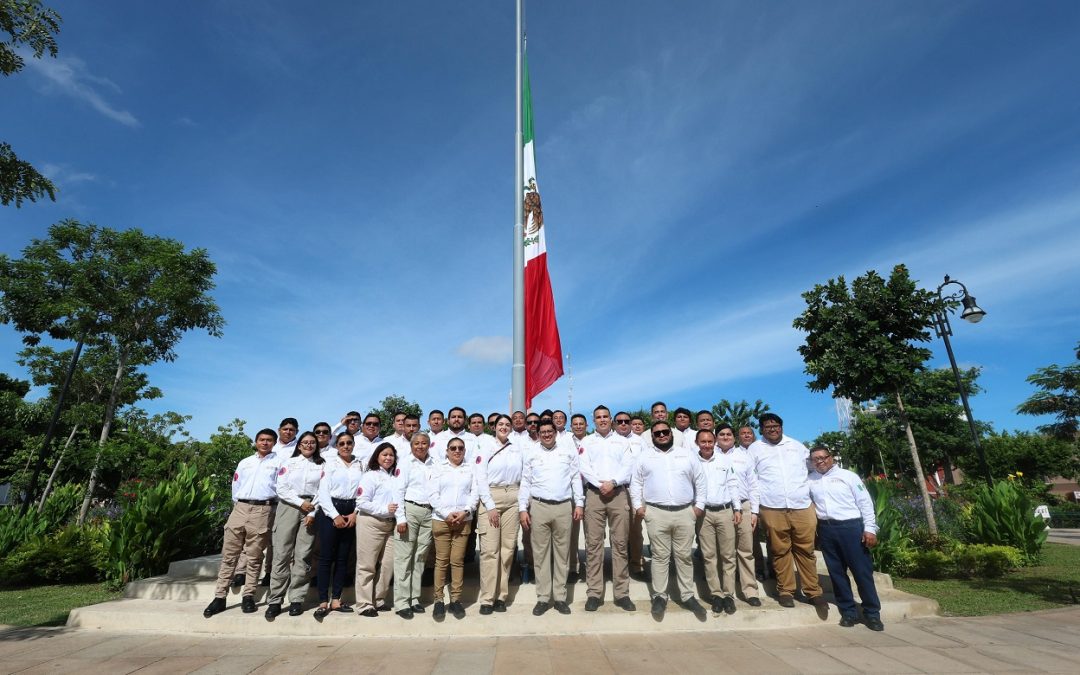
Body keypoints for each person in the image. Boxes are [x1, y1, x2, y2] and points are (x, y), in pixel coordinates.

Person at [630, 421, 708, 621]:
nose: (662, 435)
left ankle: (687, 596)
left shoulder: (687, 454)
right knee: (659, 556)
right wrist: (639, 507)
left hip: (685, 512)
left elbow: (700, 480)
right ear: (653, 436)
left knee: (683, 556)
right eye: (658, 433)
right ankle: (659, 596)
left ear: (671, 434)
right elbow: (636, 483)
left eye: (665, 432)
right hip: (656, 512)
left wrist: (698, 506)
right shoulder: (644, 457)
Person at [749, 413, 826, 614]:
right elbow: (751, 480)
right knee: (779, 550)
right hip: (772, 507)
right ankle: (786, 591)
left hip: (801, 505)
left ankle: (813, 591)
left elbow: (813, 469)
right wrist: (755, 510)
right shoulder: (755, 449)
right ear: (761, 429)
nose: (772, 429)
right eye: (767, 426)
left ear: (781, 427)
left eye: (776, 425)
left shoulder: (797, 446)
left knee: (806, 550)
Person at [204, 428, 283, 618]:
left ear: (274, 443)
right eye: (262, 440)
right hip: (240, 508)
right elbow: (236, 485)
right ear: (256, 442)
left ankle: (248, 595)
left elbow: (282, 488)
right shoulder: (245, 462)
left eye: (269, 440)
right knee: (229, 555)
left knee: (255, 556)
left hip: (263, 510)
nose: (265, 443)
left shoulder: (280, 463)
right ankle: (219, 597)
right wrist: (239, 505)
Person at [808, 446, 883, 631]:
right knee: (837, 573)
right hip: (826, 529)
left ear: (831, 458)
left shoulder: (848, 476)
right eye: (816, 459)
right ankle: (848, 612)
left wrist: (870, 529)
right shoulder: (811, 480)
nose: (820, 461)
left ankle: (872, 614)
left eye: (823, 457)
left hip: (851, 528)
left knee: (862, 573)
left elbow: (865, 502)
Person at [519, 420, 584, 616]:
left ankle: (560, 597)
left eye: (550, 431)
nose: (547, 434)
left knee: (562, 554)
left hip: (563, 506)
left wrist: (579, 503)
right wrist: (523, 508)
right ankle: (542, 598)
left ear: (556, 433)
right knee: (540, 555)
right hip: (539, 506)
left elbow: (575, 478)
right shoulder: (532, 453)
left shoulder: (567, 451)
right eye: (543, 432)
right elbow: (525, 481)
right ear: (538, 434)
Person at [580, 405, 636, 612]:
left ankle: (622, 593)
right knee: (593, 545)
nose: (602, 420)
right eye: (598, 417)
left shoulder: (622, 442)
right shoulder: (587, 441)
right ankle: (594, 593)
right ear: (593, 420)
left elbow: (628, 466)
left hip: (618, 492)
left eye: (605, 417)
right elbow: (583, 466)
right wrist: (599, 484)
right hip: (595, 494)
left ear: (611, 419)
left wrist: (612, 482)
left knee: (620, 544)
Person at [265, 431, 324, 619]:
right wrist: (300, 504)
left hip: (312, 509)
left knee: (303, 555)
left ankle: (297, 599)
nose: (308, 445)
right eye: (305, 442)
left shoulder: (322, 465)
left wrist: (312, 511)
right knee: (281, 553)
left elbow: (324, 490)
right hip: (289, 506)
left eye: (312, 443)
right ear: (299, 445)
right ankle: (275, 600)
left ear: (316, 446)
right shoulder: (288, 463)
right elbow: (281, 488)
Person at [312, 432, 363, 619]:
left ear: (353, 444)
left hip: (351, 509)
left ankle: (336, 600)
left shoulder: (360, 464)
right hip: (330, 509)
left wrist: (355, 513)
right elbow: (323, 493)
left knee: (343, 558)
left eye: (349, 443)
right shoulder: (330, 464)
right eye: (342, 443)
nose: (346, 446)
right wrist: (334, 515)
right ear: (337, 446)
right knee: (326, 557)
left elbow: (362, 491)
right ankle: (323, 601)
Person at [476, 415, 522, 614]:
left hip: (513, 495)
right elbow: (480, 478)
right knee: (489, 551)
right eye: (500, 424)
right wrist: (490, 505)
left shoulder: (517, 448)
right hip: (490, 496)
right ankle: (487, 598)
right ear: (494, 427)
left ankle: (501, 596)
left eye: (507, 425)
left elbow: (524, 475)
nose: (504, 427)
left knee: (508, 549)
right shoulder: (485, 447)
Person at [429, 437, 479, 620]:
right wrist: (446, 513)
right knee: (441, 561)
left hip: (464, 519)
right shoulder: (438, 468)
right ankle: (439, 600)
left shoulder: (471, 468)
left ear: (465, 450)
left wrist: (465, 511)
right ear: (447, 451)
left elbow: (475, 493)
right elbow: (432, 493)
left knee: (457, 561)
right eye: (453, 448)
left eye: (460, 448)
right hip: (442, 520)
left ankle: (456, 600)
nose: (457, 451)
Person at [694, 428, 741, 615]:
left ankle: (729, 595)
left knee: (728, 555)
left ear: (714, 442)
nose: (706, 445)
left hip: (724, 511)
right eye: (702, 442)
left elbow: (732, 484)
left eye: (709, 442)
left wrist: (737, 508)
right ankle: (716, 594)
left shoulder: (724, 460)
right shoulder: (692, 461)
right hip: (703, 514)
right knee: (709, 555)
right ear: (697, 443)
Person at [715, 423, 761, 607]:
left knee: (746, 550)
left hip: (744, 506)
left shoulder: (744, 457)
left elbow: (754, 485)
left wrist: (755, 511)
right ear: (716, 437)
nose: (725, 437)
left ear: (734, 437)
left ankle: (750, 590)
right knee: (723, 552)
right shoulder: (710, 456)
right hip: (722, 507)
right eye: (721, 434)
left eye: (728, 434)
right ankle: (725, 592)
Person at [392, 432, 435, 619]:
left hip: (429, 512)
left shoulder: (435, 463)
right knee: (404, 557)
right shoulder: (405, 463)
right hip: (410, 510)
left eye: (424, 443)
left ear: (429, 445)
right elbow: (397, 490)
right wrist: (400, 518)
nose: (420, 446)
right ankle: (402, 602)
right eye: (416, 443)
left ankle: (414, 598)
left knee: (420, 557)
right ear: (411, 446)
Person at [354, 442, 399, 617]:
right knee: (367, 565)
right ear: (377, 457)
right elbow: (361, 502)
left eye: (391, 455)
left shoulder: (396, 476)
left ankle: (379, 599)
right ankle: (365, 604)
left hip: (391, 525)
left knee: (388, 564)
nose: (388, 458)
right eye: (384, 455)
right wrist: (384, 510)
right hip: (371, 522)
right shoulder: (370, 476)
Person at [616, 412, 646, 579]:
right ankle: (618, 566)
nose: (623, 424)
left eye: (626, 421)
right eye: (619, 421)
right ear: (614, 423)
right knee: (617, 531)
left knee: (635, 530)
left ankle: (637, 564)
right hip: (615, 490)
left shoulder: (640, 441)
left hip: (634, 489)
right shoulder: (611, 441)